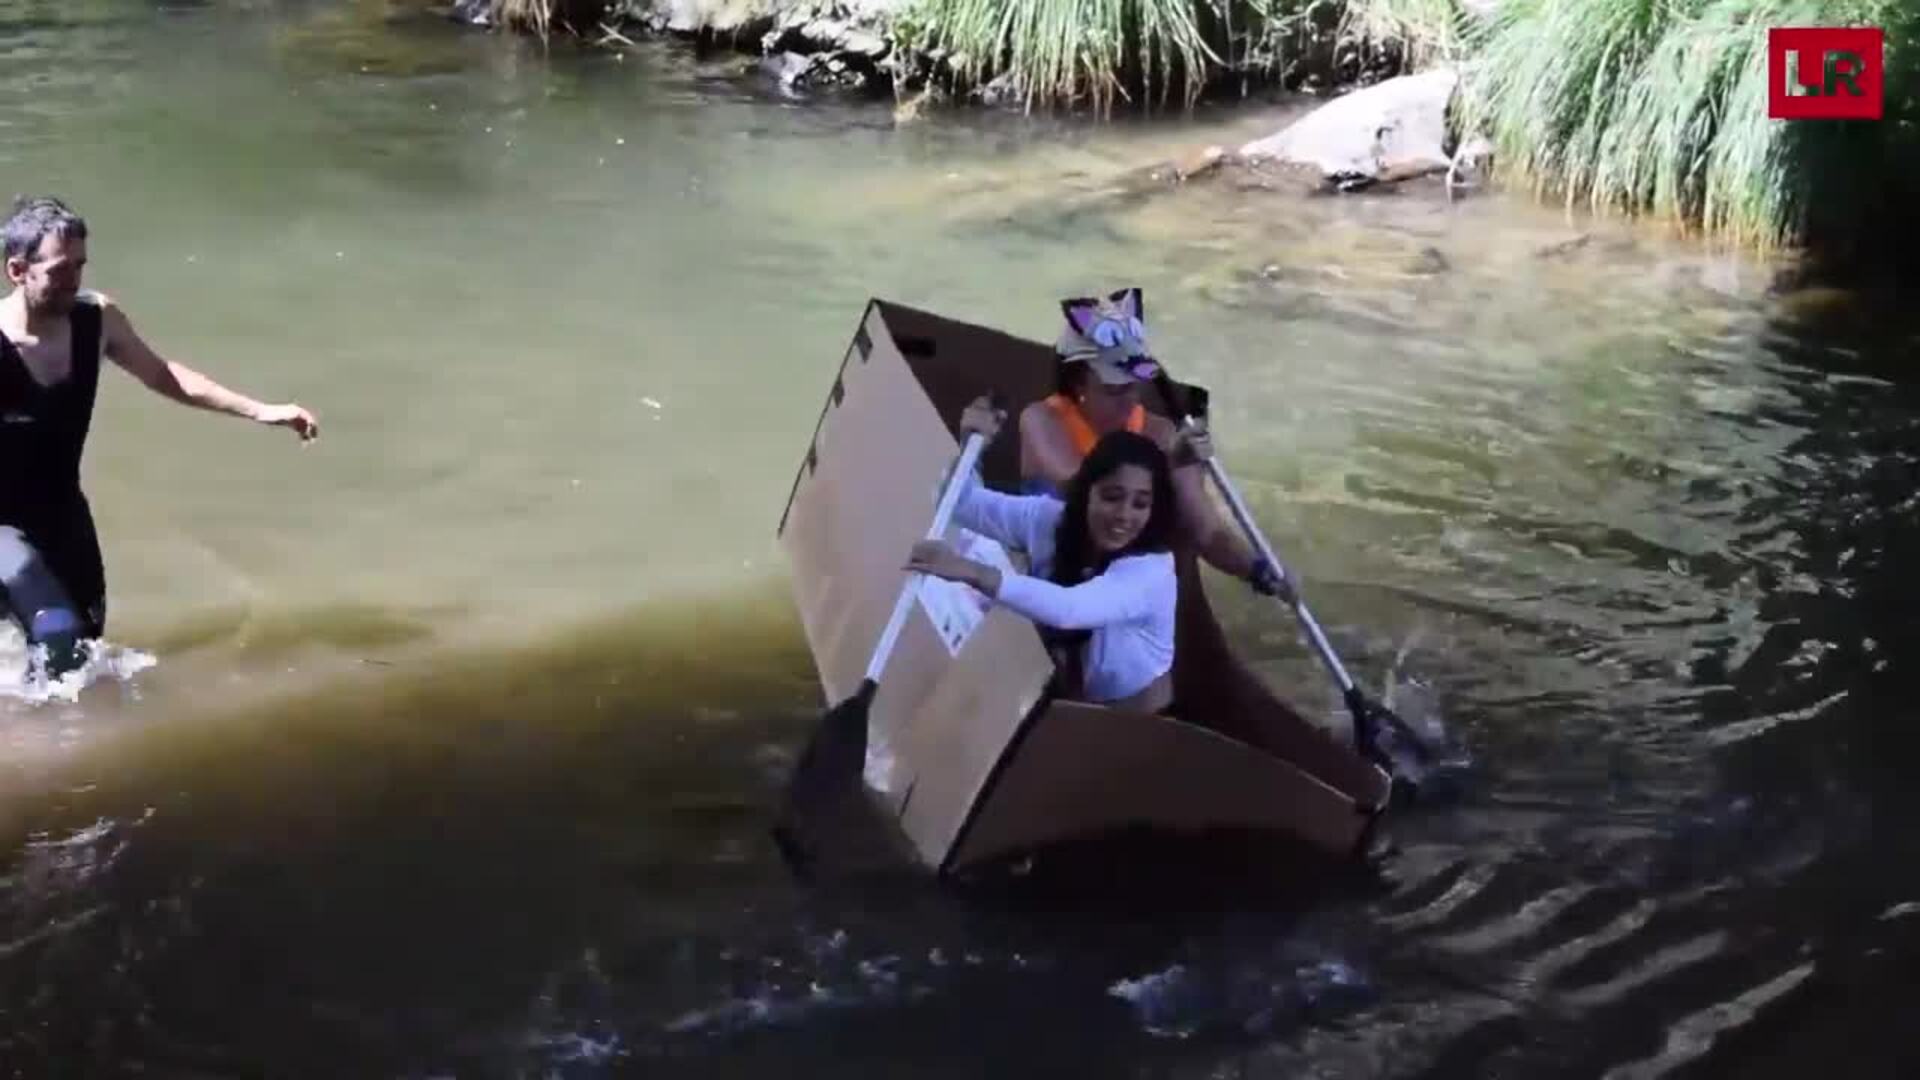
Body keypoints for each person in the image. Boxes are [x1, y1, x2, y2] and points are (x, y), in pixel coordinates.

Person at [0, 195, 318, 678]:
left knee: (82, 653)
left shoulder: (97, 320)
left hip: (63, 514)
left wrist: (262, 411)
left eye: (81, 266)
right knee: (57, 635)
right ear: (17, 271)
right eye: (62, 270)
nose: (75, 282)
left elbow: (165, 375)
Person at [903, 395, 1183, 714]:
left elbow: (1070, 609)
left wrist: (972, 571)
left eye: (1140, 504)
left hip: (1136, 716)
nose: (1124, 515)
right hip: (1068, 700)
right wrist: (971, 443)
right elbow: (960, 503)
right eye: (1112, 496)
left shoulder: (1152, 571)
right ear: (1086, 490)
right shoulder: (1046, 519)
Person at [1017, 287, 1292, 603]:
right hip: (1052, 577)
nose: (1129, 401)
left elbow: (1205, 530)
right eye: (1113, 390)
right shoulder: (1041, 420)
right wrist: (1168, 464)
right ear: (1079, 383)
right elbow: (1078, 492)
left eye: (1134, 387)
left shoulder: (1160, 434)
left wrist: (1259, 571)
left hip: (1124, 587)